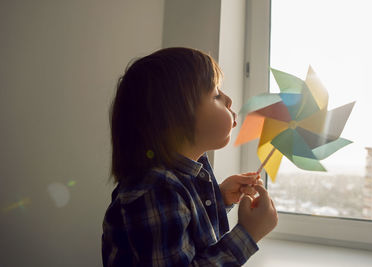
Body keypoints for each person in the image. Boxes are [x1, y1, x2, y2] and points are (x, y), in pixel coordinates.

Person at [102, 47, 278, 266]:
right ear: (175, 117)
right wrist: (248, 234)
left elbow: (187, 233)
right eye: (216, 94)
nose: (229, 100)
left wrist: (219, 199)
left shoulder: (184, 174)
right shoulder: (155, 191)